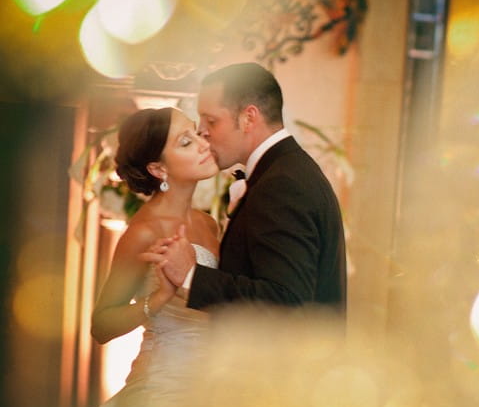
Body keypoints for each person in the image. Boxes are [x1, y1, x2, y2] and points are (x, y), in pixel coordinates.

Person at [37, 106, 220, 407]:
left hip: (212, 395)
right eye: (185, 142)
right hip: (161, 393)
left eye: (198, 134)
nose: (202, 144)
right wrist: (157, 299)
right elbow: (101, 326)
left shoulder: (210, 224)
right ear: (158, 169)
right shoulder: (143, 231)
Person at [142, 62, 347, 314]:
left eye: (211, 120)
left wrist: (191, 275)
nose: (202, 132)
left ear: (249, 118)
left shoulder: (282, 186)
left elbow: (285, 302)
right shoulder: (287, 170)